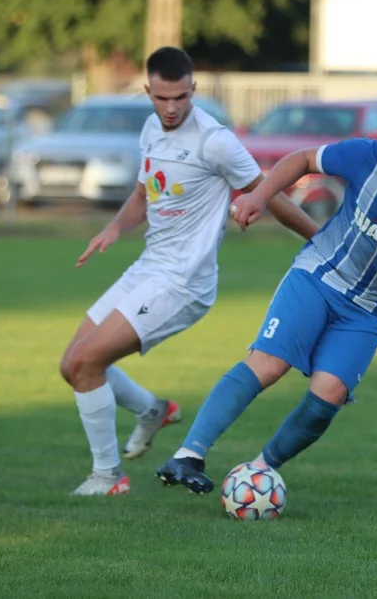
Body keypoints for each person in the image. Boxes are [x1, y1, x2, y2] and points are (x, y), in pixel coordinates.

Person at [155, 118, 377, 494]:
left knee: (329, 393)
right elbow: (302, 160)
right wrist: (259, 196)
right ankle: (189, 454)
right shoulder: (366, 156)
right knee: (269, 364)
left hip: (368, 309)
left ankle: (260, 473)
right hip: (317, 276)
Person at [61, 46, 319, 496]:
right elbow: (144, 196)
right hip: (148, 268)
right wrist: (113, 228)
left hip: (183, 283)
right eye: (162, 98)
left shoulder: (213, 140)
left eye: (181, 96)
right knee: (72, 364)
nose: (172, 107)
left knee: (87, 363)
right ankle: (152, 411)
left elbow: (269, 193)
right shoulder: (150, 130)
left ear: (193, 89)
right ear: (148, 92)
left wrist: (320, 238)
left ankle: (108, 477)